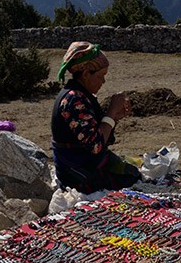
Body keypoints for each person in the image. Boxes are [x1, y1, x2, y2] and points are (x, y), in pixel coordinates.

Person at [51, 41, 141, 193]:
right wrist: (111, 113)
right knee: (129, 179)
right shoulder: (74, 100)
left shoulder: (80, 95)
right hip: (76, 170)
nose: (103, 81)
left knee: (131, 172)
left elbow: (97, 135)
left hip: (84, 161)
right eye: (101, 76)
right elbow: (96, 146)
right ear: (86, 74)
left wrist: (114, 118)